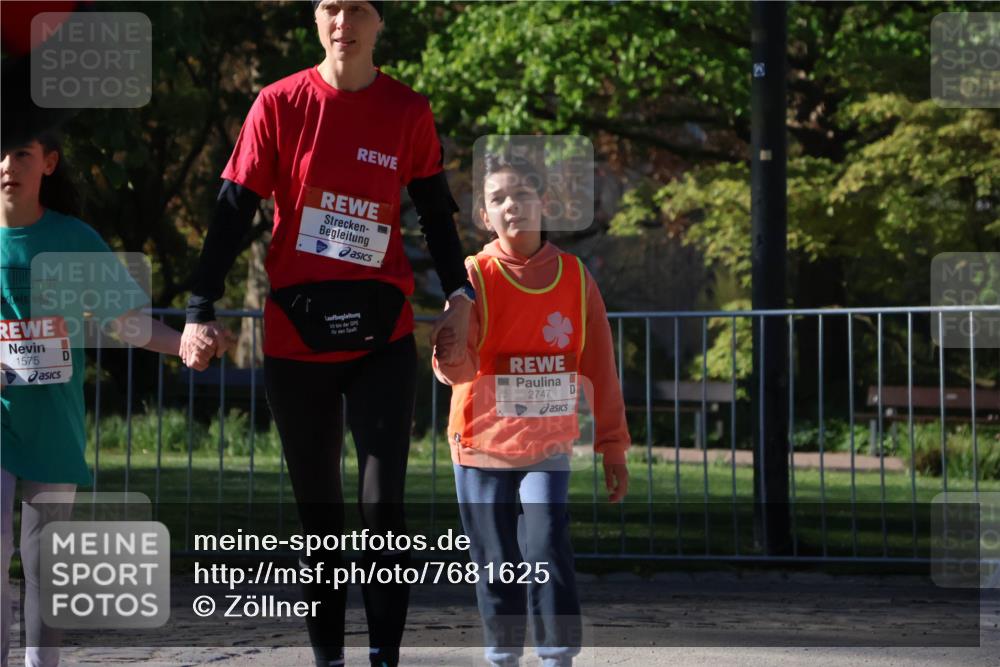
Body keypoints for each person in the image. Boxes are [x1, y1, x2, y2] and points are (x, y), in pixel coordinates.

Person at [178, 2, 474, 665]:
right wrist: (200, 306)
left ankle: (384, 657)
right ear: (317, 19)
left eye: (359, 8)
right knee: (320, 517)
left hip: (381, 337)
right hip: (297, 336)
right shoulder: (279, 104)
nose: (344, 21)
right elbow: (233, 209)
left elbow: (435, 211)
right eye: (331, 7)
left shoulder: (407, 110)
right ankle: (329, 659)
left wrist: (460, 295)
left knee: (382, 508)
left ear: (379, 23)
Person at [0, 132, 207, 667]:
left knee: (44, 562)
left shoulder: (74, 240)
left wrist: (184, 344)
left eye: (21, 154)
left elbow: (126, 322)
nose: (7, 165)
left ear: (49, 162)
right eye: (0, 154)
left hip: (53, 423)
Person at [433, 152, 631, 667]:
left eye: (521, 194)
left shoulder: (575, 277)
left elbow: (600, 367)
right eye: (498, 198)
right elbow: (456, 366)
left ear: (543, 202)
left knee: (546, 545)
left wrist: (612, 446)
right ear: (484, 215)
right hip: (481, 445)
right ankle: (503, 657)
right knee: (496, 560)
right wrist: (447, 356)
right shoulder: (473, 275)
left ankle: (556, 656)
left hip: (546, 444)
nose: (511, 206)